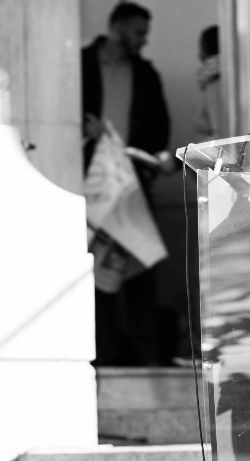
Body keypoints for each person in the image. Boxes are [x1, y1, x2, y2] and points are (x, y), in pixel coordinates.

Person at [81, 2, 172, 366]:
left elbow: (160, 126)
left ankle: (143, 352)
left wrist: (153, 157)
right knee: (92, 265)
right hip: (87, 181)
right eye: (137, 33)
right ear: (116, 28)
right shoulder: (80, 64)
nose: (143, 41)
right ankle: (103, 350)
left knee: (138, 263)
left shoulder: (146, 73)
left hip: (132, 182)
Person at [192, 25, 224, 142]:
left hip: (215, 154)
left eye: (200, 46)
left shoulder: (215, 80)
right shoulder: (212, 77)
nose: (198, 54)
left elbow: (219, 131)